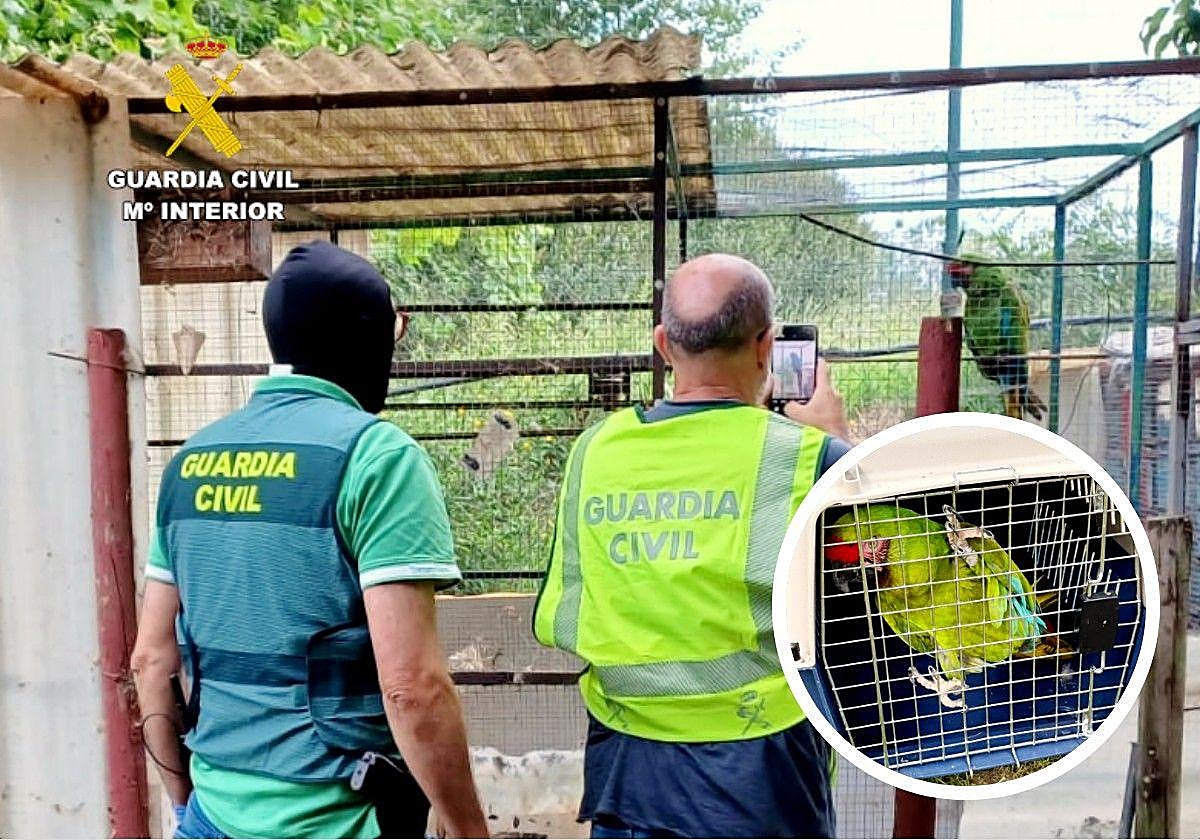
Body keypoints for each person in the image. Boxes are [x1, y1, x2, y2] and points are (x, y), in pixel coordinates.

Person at [130, 241, 489, 839]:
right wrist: (468, 827)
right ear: (368, 337)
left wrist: (187, 802)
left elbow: (151, 659)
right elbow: (412, 689)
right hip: (341, 818)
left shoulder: (189, 463)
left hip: (212, 816)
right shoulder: (378, 457)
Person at [532, 253, 852, 838]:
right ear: (765, 347)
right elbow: (880, 606)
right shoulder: (808, 457)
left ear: (663, 344)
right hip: (762, 777)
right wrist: (834, 443)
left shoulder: (594, 451)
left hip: (627, 776)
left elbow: (566, 607)